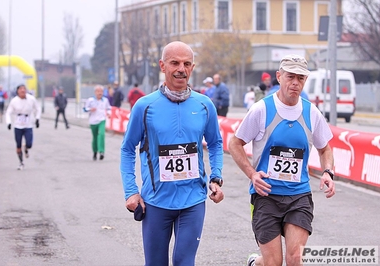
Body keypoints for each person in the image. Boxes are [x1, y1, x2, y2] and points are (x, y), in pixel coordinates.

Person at [120, 41, 224, 266]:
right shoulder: (144, 106)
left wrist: (216, 177)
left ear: (192, 67)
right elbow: (128, 149)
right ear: (162, 66)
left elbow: (215, 143)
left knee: (184, 262)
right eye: (175, 63)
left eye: (187, 64)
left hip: (193, 200)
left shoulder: (205, 105)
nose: (181, 69)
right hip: (156, 202)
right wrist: (131, 191)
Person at [228, 54, 335, 266]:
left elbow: (325, 149)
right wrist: (252, 174)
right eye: (290, 77)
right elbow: (235, 143)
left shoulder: (311, 112)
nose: (295, 83)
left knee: (295, 259)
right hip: (266, 195)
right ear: (279, 76)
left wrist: (328, 172)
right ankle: (256, 262)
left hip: (298, 196)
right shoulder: (261, 109)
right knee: (273, 263)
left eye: (301, 78)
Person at [6, 84, 41, 170]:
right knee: (18, 145)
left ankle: (26, 147)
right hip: (18, 125)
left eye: (24, 89)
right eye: (21, 89)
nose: (23, 91)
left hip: (28, 124)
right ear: (17, 91)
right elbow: (8, 112)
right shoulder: (14, 101)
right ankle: (21, 162)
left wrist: (37, 119)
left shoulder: (31, 99)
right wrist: (9, 123)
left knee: (29, 144)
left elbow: (38, 108)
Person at [83, 85, 111, 161]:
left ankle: (101, 151)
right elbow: (84, 109)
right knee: (95, 137)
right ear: (95, 92)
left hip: (102, 120)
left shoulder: (105, 100)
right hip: (93, 121)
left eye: (101, 91)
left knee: (101, 134)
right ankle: (95, 152)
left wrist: (108, 113)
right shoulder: (90, 100)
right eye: (98, 91)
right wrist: (90, 109)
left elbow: (109, 108)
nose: (100, 93)